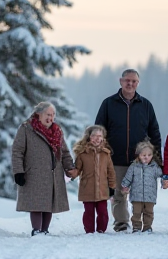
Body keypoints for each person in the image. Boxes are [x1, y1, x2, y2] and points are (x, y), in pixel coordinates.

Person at [95, 69, 162, 232]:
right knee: (119, 194)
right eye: (127, 80)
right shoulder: (108, 103)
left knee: (140, 194)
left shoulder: (145, 105)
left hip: (140, 160)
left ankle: (142, 224)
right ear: (121, 81)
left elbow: (154, 132)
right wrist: (100, 153)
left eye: (134, 81)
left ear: (138, 83)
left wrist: (157, 158)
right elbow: (98, 130)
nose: (130, 84)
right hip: (115, 158)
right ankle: (122, 224)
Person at [11, 101, 76, 236]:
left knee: (49, 203)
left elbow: (64, 152)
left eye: (53, 115)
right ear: (38, 114)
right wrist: (18, 172)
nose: (50, 118)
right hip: (33, 173)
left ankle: (45, 230)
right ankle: (36, 230)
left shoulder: (57, 131)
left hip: (53, 174)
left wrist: (70, 169)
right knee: (36, 203)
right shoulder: (26, 129)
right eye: (48, 114)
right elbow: (17, 151)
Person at [71, 125, 116, 234]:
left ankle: (101, 230)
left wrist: (112, 187)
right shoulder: (82, 154)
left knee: (103, 212)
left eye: (99, 136)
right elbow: (77, 169)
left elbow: (111, 172)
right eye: (94, 135)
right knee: (89, 212)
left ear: (103, 138)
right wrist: (71, 174)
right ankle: (89, 230)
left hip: (102, 189)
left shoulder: (106, 154)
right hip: (88, 189)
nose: (97, 138)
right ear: (88, 137)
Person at [121, 140, 163, 233]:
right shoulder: (134, 166)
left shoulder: (154, 166)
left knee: (149, 212)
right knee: (136, 212)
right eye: (144, 155)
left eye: (149, 155)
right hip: (136, 195)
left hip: (150, 195)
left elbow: (161, 175)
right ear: (138, 155)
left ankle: (147, 227)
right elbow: (128, 177)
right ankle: (136, 227)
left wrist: (165, 181)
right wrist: (125, 185)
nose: (146, 157)